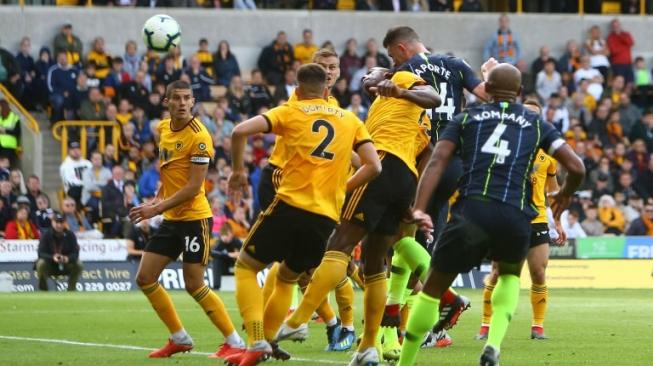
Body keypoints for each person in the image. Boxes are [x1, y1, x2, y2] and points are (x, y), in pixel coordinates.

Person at [398, 63, 585, 366]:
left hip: (472, 212)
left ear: (487, 90)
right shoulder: (536, 123)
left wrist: (420, 206)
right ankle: (494, 344)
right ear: (520, 92)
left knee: (432, 288)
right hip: (515, 216)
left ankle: (405, 361)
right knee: (510, 275)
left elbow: (437, 161)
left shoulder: (465, 118)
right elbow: (576, 167)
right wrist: (564, 195)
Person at [276, 60, 441, 366]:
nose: (367, 77)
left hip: (382, 163)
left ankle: (299, 318)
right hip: (404, 177)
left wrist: (400, 88)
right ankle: (368, 347)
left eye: (373, 72)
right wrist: (412, 201)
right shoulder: (403, 114)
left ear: (389, 74)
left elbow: (434, 97)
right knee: (374, 264)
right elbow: (428, 153)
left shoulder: (402, 81)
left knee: (339, 244)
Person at [227, 63, 381, 366]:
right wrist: (342, 186)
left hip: (289, 205)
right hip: (324, 218)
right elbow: (374, 166)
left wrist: (236, 171)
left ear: (296, 89)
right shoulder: (351, 120)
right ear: (327, 90)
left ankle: (256, 339)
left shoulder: (290, 110)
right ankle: (267, 342)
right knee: (287, 277)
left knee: (246, 267)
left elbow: (238, 131)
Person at [379, 26, 494, 346]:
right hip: (454, 163)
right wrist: (492, 71)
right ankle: (428, 327)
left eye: (391, 54)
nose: (392, 59)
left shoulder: (406, 70)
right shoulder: (455, 64)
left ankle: (441, 302)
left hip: (422, 160)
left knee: (400, 239)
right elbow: (487, 94)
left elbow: (384, 93)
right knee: (426, 242)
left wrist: (381, 77)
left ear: (402, 49)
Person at [128, 80, 245, 359]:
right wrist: (158, 198)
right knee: (145, 277)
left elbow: (194, 187)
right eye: (176, 98)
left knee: (194, 283)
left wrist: (155, 210)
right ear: (166, 102)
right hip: (171, 218)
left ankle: (235, 342)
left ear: (193, 102)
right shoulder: (163, 129)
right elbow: (168, 169)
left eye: (186, 98)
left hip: (195, 219)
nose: (181, 103)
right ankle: (179, 338)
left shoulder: (199, 136)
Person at [260, 48, 362, 352]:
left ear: (340, 72)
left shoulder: (334, 107)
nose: (328, 71)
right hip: (286, 180)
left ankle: (339, 325)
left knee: (323, 261)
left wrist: (353, 170)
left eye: (332, 67)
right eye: (322, 66)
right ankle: (333, 325)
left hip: (320, 190)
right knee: (300, 264)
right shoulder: (301, 99)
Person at [476, 99, 566, 342]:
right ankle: (485, 324)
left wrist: (556, 221)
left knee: (539, 271)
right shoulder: (503, 144)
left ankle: (537, 326)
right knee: (497, 272)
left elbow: (552, 192)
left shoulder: (548, 154)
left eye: (536, 115)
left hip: (536, 218)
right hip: (507, 215)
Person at [35, 212, 83, 292]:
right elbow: (40, 253)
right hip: (50, 265)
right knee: (40, 263)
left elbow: (75, 254)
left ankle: (71, 290)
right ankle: (43, 290)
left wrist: (67, 258)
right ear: (52, 222)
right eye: (57, 222)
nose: (59, 225)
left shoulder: (70, 235)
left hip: (65, 265)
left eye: (61, 222)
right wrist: (52, 258)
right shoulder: (46, 235)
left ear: (65, 223)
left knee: (79, 264)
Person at [47, 51, 78, 122]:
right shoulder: (53, 70)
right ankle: (57, 122)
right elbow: (50, 87)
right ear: (57, 59)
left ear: (67, 58)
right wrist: (62, 93)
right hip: (57, 94)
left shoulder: (74, 69)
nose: (63, 59)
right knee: (59, 101)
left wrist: (71, 93)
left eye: (64, 58)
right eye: (60, 58)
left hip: (72, 93)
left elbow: (79, 83)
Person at [59, 141, 92, 208]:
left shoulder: (88, 163)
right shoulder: (65, 166)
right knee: (75, 190)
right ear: (69, 151)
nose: (76, 151)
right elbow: (71, 183)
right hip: (75, 192)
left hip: (89, 190)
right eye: (73, 149)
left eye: (78, 149)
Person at [210, 224, 242, 290]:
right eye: (224, 235)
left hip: (235, 265)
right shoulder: (220, 242)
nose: (226, 238)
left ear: (231, 233)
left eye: (227, 235)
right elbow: (212, 253)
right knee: (217, 260)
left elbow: (244, 252)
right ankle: (216, 287)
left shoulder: (236, 241)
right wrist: (228, 255)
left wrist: (237, 254)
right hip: (224, 267)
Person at [0, 99, 21, 167]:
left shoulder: (14, 118)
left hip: (8, 147)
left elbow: (17, 132)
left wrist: (5, 130)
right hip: (1, 145)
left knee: (6, 167)